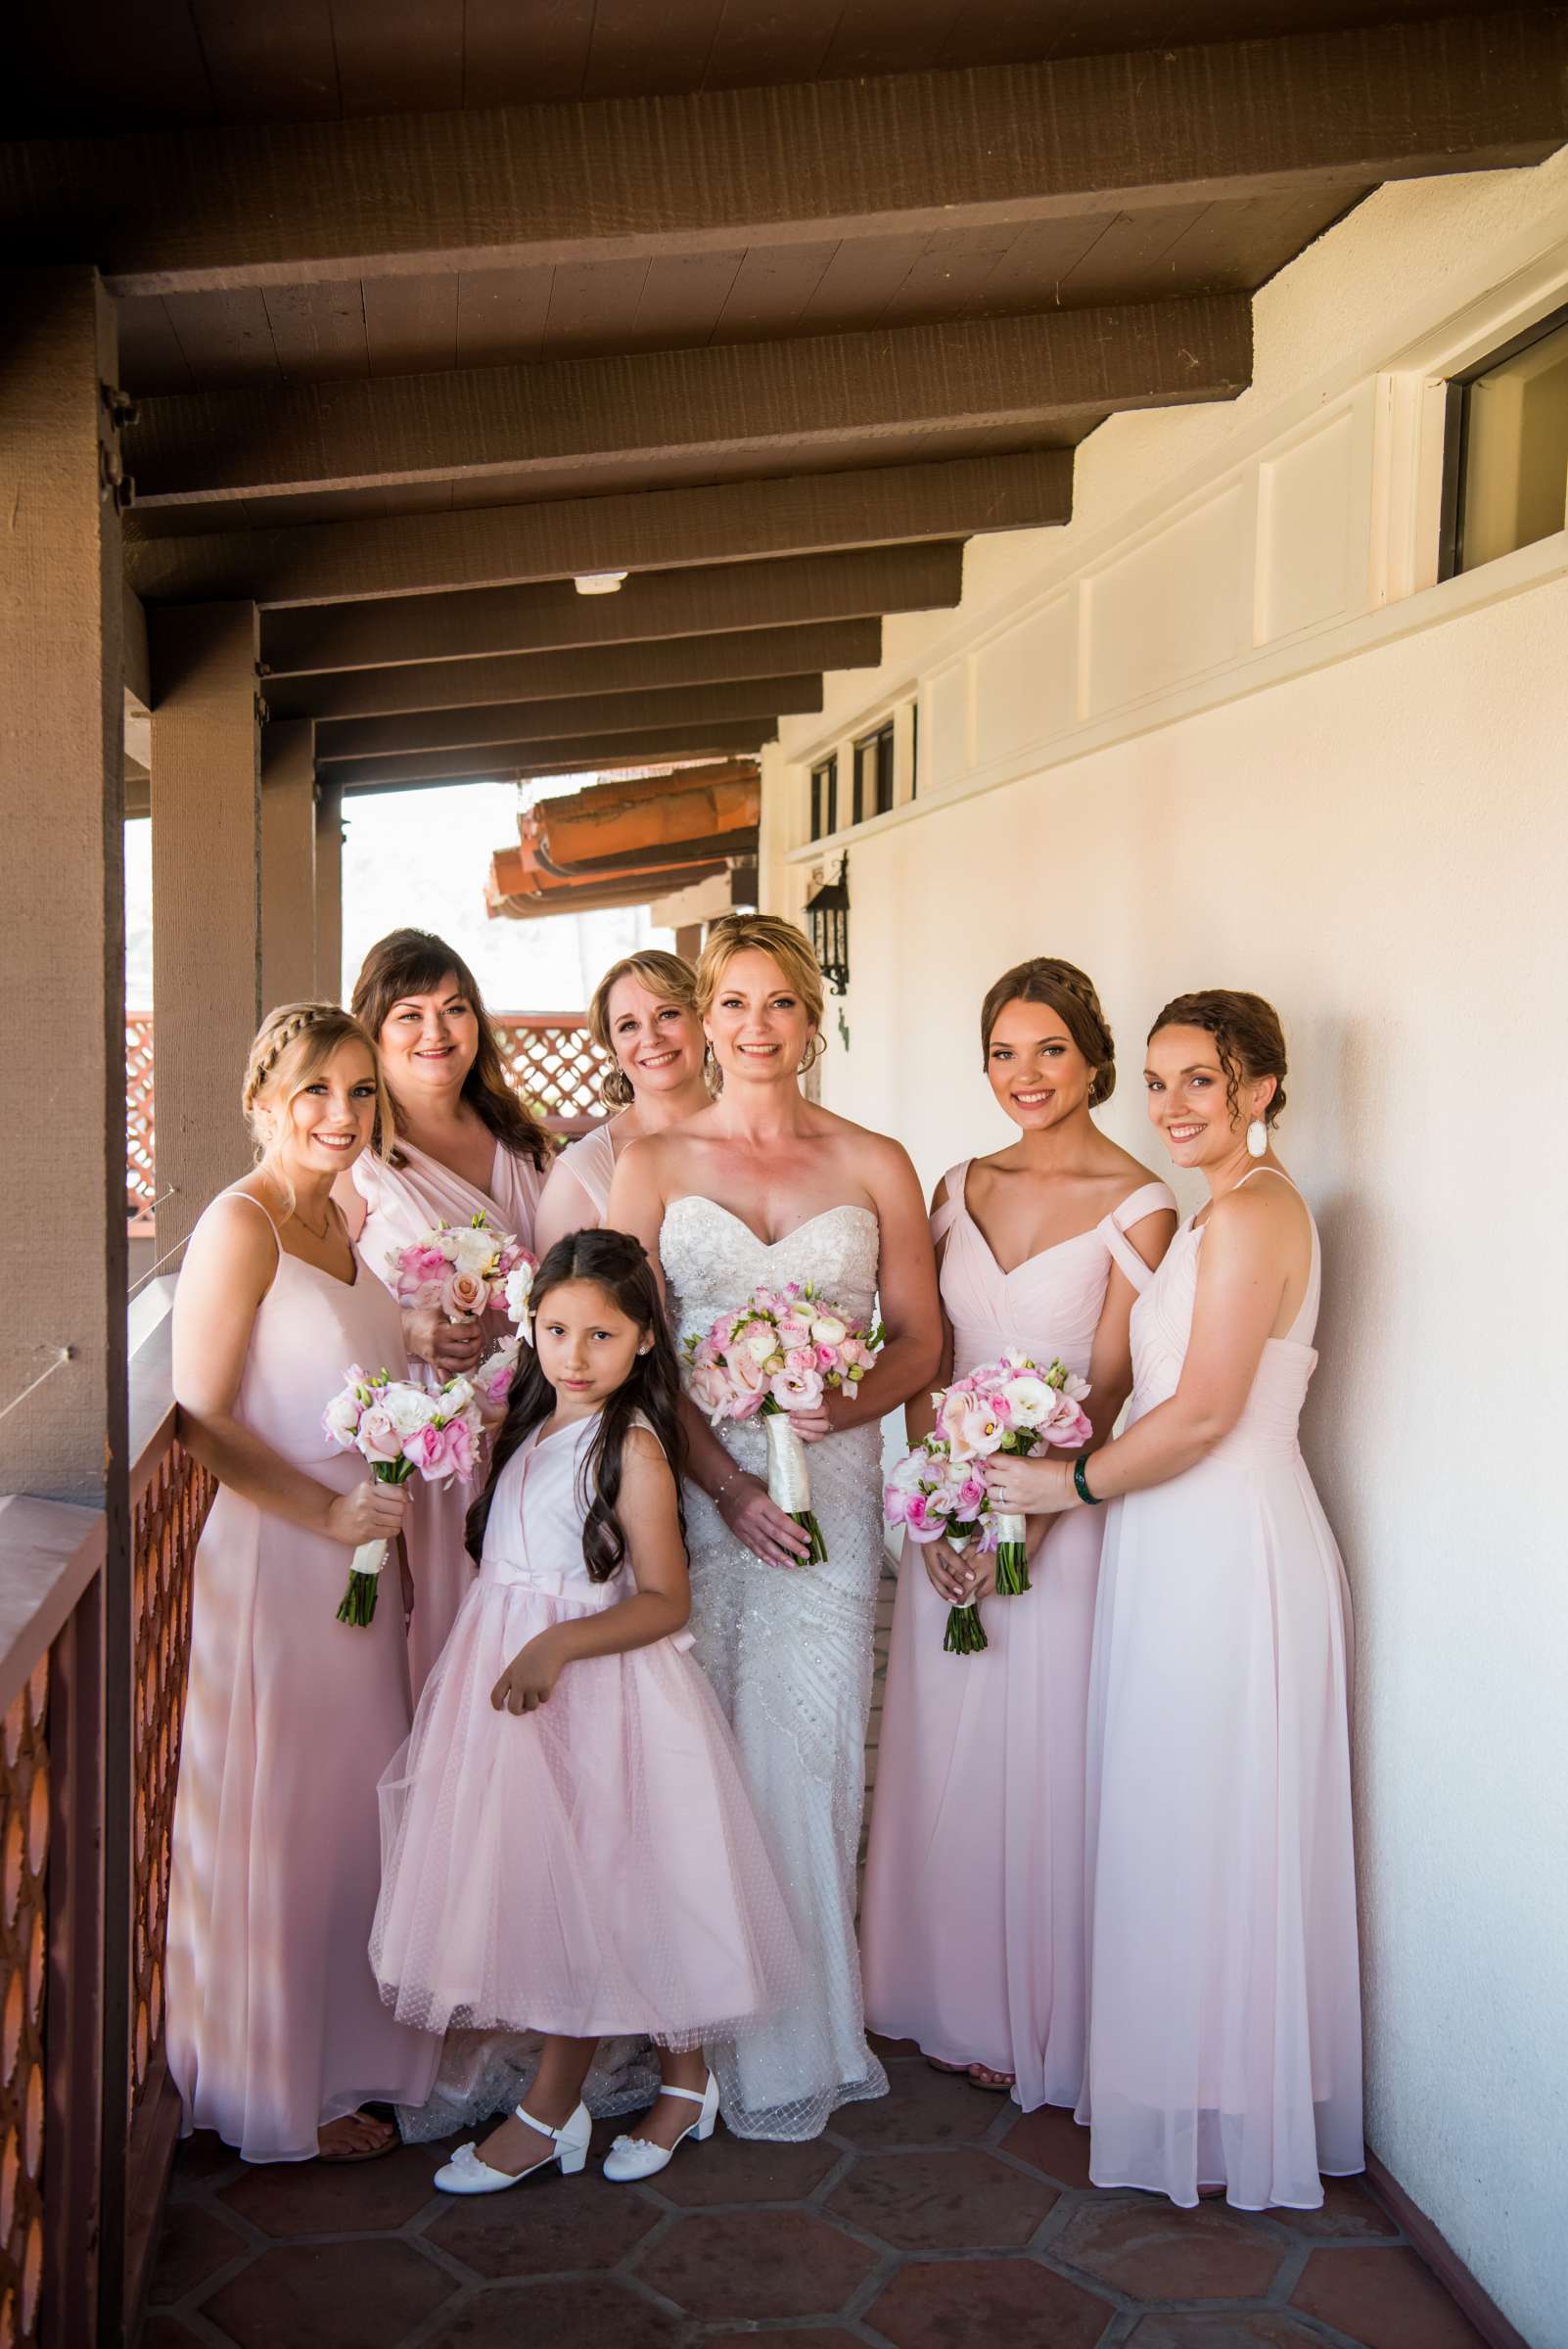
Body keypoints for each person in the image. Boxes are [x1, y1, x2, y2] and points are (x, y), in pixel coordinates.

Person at [992, 990, 1362, 2210]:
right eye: (1156, 1082)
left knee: (1217, 1814)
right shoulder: (1217, 1217)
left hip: (1229, 1543)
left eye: (1199, 1080)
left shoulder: (1260, 1214)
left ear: (1259, 1090)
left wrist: (1063, 1481)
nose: (1171, 1106)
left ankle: (1228, 2109)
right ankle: (1186, 2086)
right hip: (1171, 1540)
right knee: (1177, 1811)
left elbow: (1204, 1414)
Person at [370, 1230, 800, 2192]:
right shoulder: (528, 1426)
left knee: (603, 1883)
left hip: (602, 1694)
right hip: (513, 1697)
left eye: (601, 1335)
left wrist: (557, 1644)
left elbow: (664, 1600)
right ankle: (685, 2080)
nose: (573, 1354)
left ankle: (554, 2109)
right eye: (555, 1329)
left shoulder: (633, 1448)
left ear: (647, 1341)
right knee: (576, 1885)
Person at [609, 913, 943, 2141]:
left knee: (804, 1747)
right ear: (706, 1018)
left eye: (781, 1006)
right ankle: (687, 2036)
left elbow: (921, 1339)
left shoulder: (876, 1161)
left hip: (834, 1485)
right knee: (692, 1752)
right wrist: (731, 1487)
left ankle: (795, 2032)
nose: (756, 1030)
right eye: (733, 1006)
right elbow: (635, 1351)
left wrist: (829, 1403)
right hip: (691, 1492)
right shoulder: (651, 1164)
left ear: (814, 1017)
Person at [861, 959, 1176, 2105]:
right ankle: (939, 1988)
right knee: (945, 1753)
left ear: (1092, 1056)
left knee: (1040, 1756)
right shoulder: (952, 1185)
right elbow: (927, 1357)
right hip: (948, 1501)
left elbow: (1108, 1378)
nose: (1025, 1075)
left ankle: (1029, 2009)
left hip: (1058, 1520)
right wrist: (936, 1499)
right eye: (1004, 1051)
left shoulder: (1141, 1203)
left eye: (1049, 1050)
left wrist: (1027, 1516)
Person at [165, 1002, 438, 2164]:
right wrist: (324, 1512)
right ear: (262, 1101)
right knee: (284, 1809)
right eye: (316, 1091)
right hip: (284, 1561)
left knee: (352, 1811)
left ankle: (352, 2053)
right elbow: (199, 1418)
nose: (342, 1114)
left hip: (366, 1564)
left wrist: (424, 1337)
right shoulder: (245, 1226)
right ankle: (279, 2083)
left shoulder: (351, 1216)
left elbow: (363, 1363)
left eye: (361, 1091)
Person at [338, 929, 554, 1693]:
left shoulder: (522, 1143)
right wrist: (410, 1328)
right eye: (410, 1013)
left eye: (454, 1009)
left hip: (538, 1421)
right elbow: (321, 1298)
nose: (437, 1031)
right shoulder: (356, 1157)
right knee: (451, 1624)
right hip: (435, 1441)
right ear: (371, 1029)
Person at [532, 950, 709, 1256]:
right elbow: (552, 1300)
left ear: (704, 1022)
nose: (651, 1038)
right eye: (628, 1025)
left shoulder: (756, 1136)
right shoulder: (582, 1172)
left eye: (667, 1014)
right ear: (613, 1050)